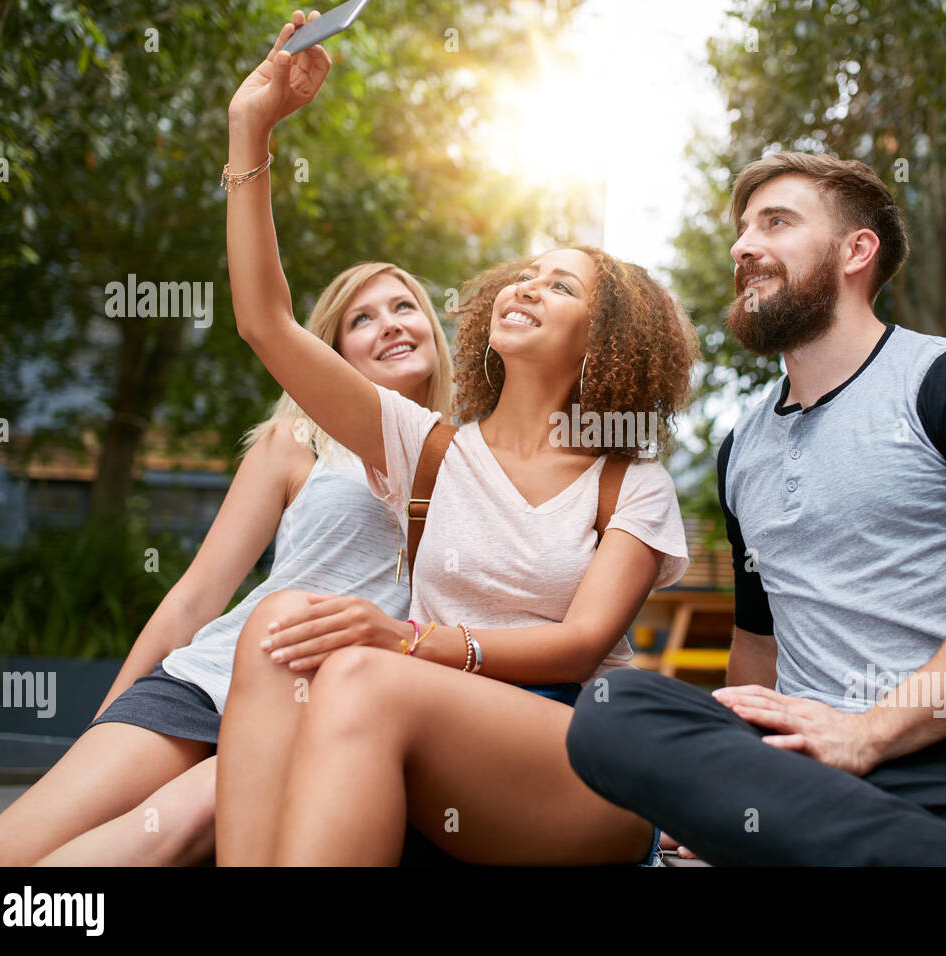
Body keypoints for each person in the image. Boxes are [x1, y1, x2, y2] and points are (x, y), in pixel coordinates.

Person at [215, 11, 697, 866]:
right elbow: (265, 324)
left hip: (578, 765)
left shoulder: (628, 482)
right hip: (422, 733)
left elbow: (584, 644)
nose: (527, 287)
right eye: (526, 275)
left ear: (606, 340)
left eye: (560, 286)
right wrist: (250, 128)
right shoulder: (427, 448)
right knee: (277, 622)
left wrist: (411, 641)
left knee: (363, 670)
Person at [567, 149, 946, 866]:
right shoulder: (742, 450)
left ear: (857, 250)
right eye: (742, 229)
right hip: (804, 771)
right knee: (612, 712)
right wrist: (730, 799)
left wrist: (871, 732)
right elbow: (758, 646)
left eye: (776, 222)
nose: (743, 246)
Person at [0, 259, 453, 866]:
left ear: (430, 324)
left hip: (315, 708)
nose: (391, 326)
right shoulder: (297, 441)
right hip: (202, 681)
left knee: (173, 827)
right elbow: (196, 596)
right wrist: (106, 720)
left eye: (404, 308)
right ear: (334, 351)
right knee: (2, 850)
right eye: (363, 319)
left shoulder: (470, 455)